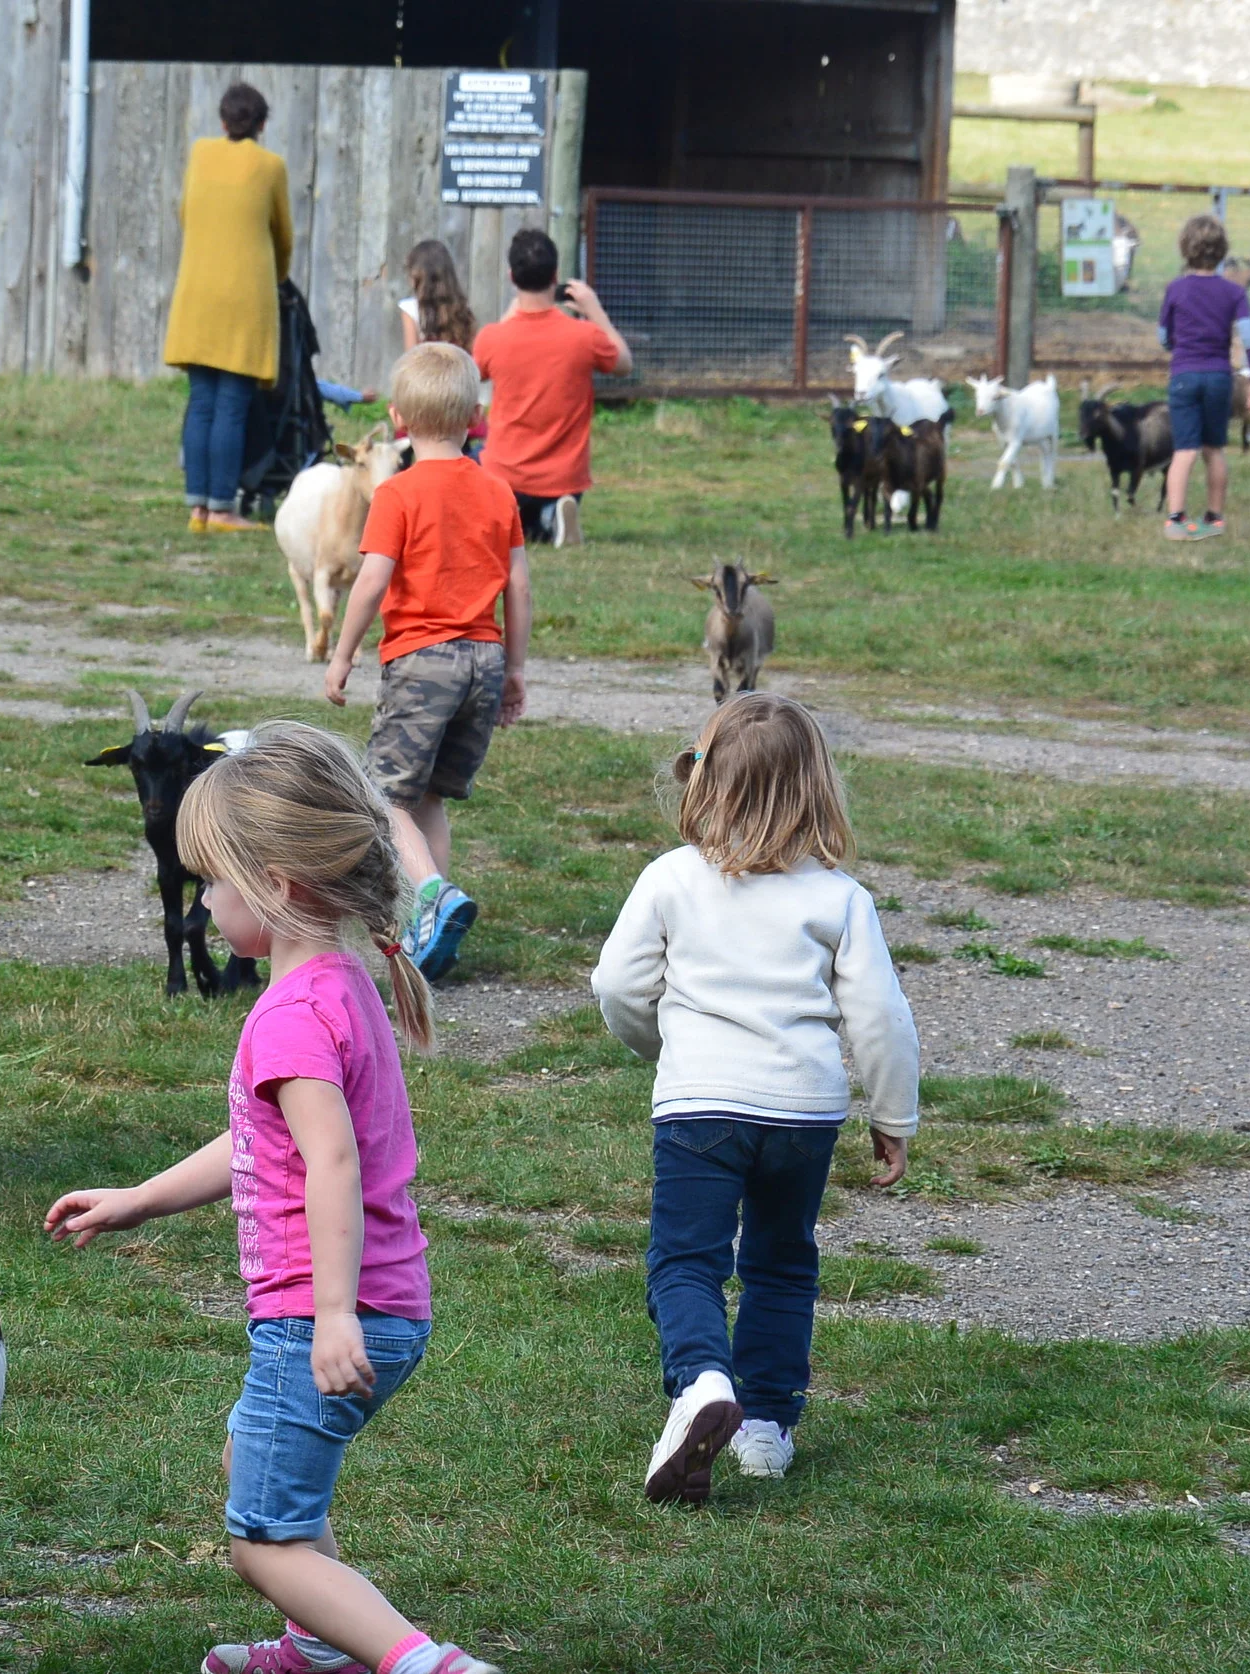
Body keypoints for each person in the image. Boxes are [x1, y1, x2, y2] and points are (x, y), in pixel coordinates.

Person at [45, 724, 499, 1674]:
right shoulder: (338, 981)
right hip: (380, 1304)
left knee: (262, 1535)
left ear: (281, 887)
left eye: (213, 879)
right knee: (253, 1474)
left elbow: (330, 1162)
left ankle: (425, 1665)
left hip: (325, 1315)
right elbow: (269, 1142)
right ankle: (314, 1650)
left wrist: (334, 1315)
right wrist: (141, 1197)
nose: (202, 901)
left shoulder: (290, 1016)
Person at [590, 693, 920, 1505]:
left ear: (705, 783)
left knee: (686, 1260)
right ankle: (768, 1426)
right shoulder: (841, 897)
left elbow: (618, 985)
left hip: (701, 1107)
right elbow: (880, 1015)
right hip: (805, 1112)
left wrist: (665, 1050)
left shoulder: (671, 878)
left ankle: (702, 1382)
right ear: (815, 789)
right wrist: (892, 1116)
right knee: (781, 1263)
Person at [322, 342, 532, 983]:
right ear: (476, 415)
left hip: (423, 663)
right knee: (430, 794)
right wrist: (516, 670)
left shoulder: (398, 493)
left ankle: (434, 896)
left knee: (383, 798)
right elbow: (518, 588)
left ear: (397, 417)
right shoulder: (498, 492)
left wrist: (343, 651)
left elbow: (371, 580)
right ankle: (431, 930)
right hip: (485, 661)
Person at [163, 82, 294, 534]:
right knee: (232, 407)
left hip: (196, 295)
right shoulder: (271, 166)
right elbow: (283, 236)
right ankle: (222, 508)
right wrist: (276, 276)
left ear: (222, 122)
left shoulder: (201, 153)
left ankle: (197, 509)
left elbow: (185, 213)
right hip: (243, 299)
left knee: (201, 402)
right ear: (262, 125)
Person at [471, 227, 631, 550]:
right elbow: (625, 363)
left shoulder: (493, 337)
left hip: (505, 471)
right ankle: (553, 516)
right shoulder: (584, 337)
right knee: (543, 518)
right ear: (556, 276)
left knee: (471, 464)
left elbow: (474, 373)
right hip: (564, 478)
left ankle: (514, 514)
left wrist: (509, 315)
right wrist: (594, 310)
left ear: (511, 276)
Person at [1159, 213, 1250, 542]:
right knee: (1214, 449)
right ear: (1222, 251)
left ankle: (1176, 519)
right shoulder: (1234, 293)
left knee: (1184, 450)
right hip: (1220, 377)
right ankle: (1215, 518)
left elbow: (1164, 337)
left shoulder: (1175, 289)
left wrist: (1180, 343)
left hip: (1184, 376)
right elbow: (1249, 338)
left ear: (1184, 250)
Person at [396, 239, 485, 451]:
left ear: (417, 276)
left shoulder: (410, 309)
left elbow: (412, 361)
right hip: (457, 398)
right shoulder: (463, 312)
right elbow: (472, 359)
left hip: (423, 400)